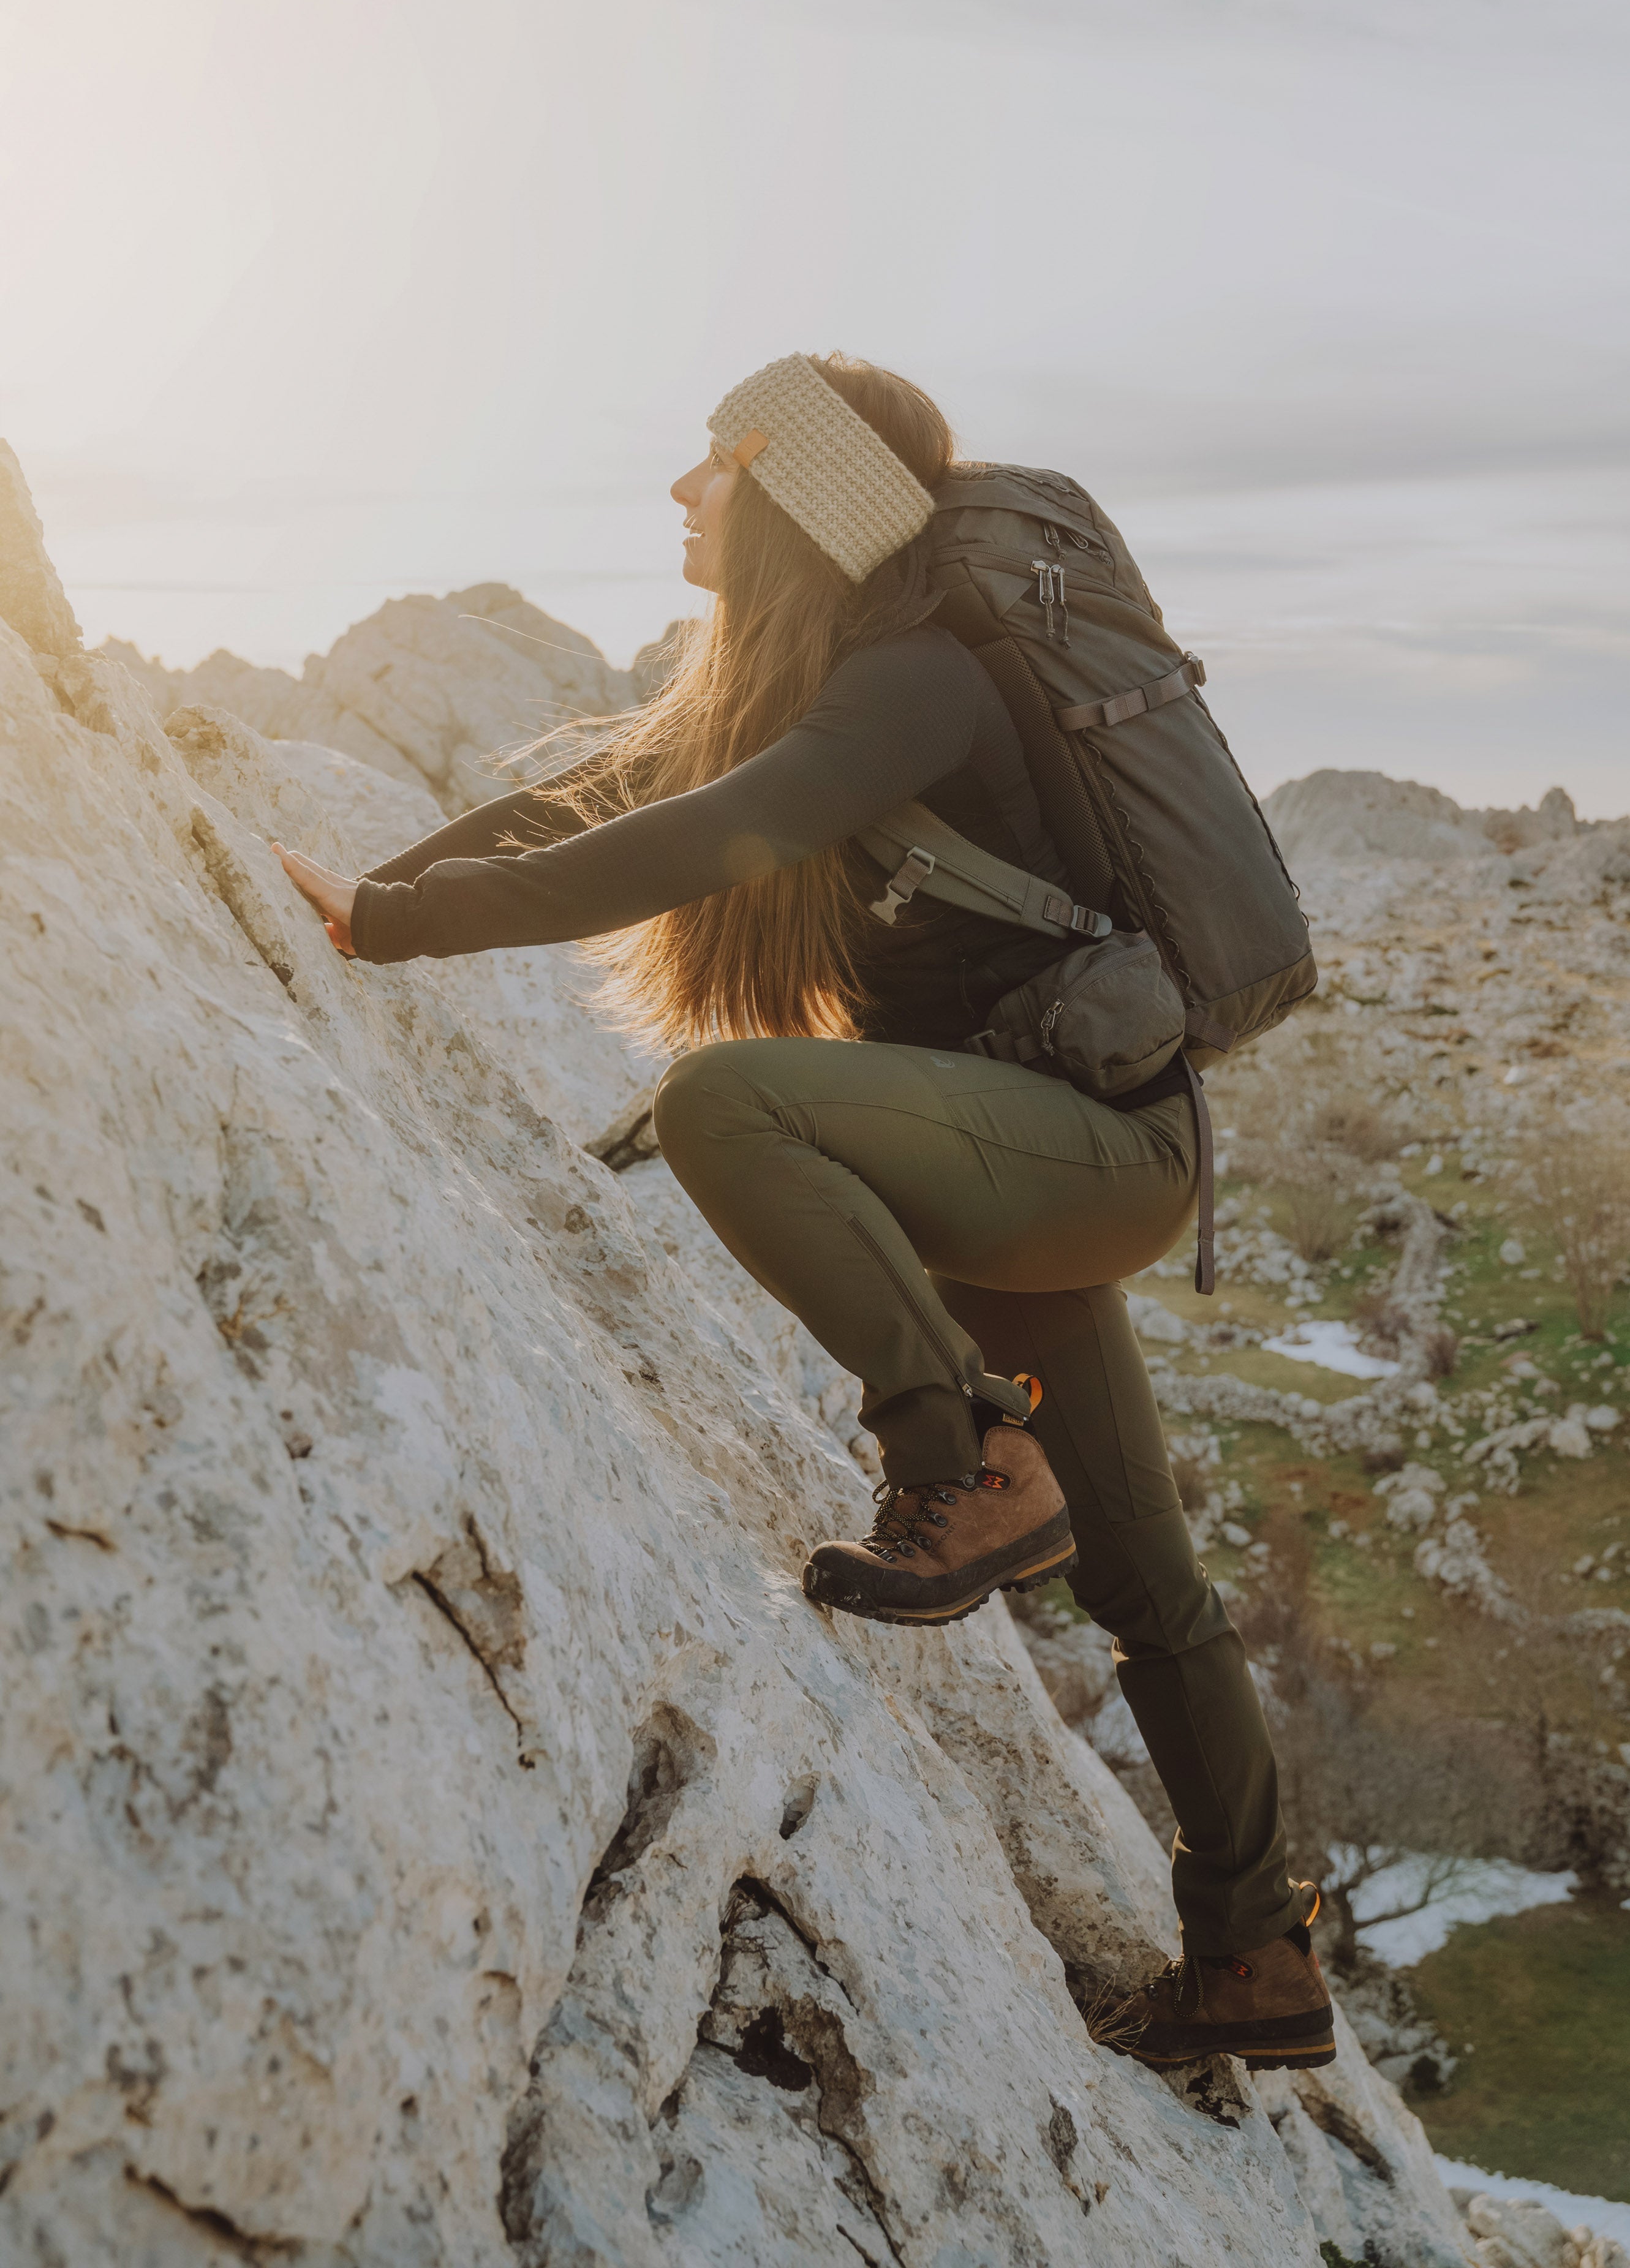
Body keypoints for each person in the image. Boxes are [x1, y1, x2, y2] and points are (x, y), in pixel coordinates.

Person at [274, 350, 1333, 2073]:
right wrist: (379, 894)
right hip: (1031, 1145)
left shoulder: (921, 681)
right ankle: (1258, 1965)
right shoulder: (841, 671)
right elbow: (621, 795)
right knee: (1156, 1589)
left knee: (728, 1098)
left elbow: (726, 836)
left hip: (1075, 1156)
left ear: (804, 494)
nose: (684, 495)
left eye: (717, 466)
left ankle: (966, 1462)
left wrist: (405, 932)